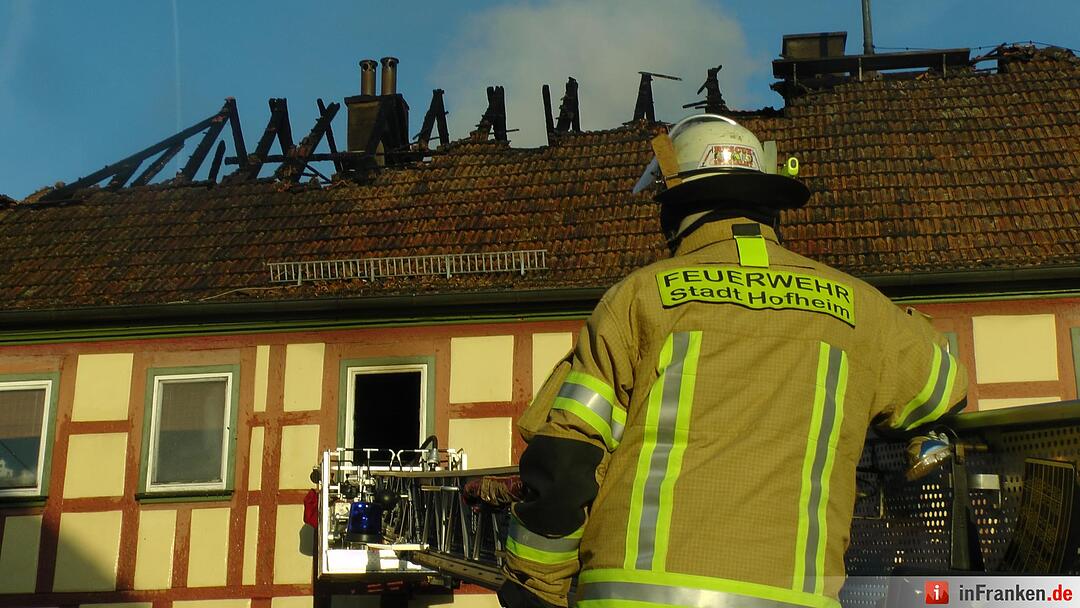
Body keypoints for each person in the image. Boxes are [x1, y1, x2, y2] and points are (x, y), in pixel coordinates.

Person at [497, 114, 968, 608]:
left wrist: (535, 586)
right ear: (768, 206)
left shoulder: (640, 299)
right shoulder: (861, 310)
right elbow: (942, 388)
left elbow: (567, 461)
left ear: (676, 209)